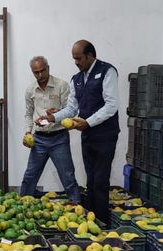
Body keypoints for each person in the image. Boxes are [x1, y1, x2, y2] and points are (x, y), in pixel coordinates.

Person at [40, 40, 119, 224]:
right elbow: (71, 109)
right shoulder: (76, 79)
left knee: (100, 181)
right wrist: (53, 118)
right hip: (88, 136)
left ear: (90, 55)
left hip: (105, 135)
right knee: (90, 180)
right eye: (74, 58)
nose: (76, 62)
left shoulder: (107, 71)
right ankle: (91, 222)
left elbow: (111, 105)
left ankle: (103, 223)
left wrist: (88, 122)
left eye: (79, 58)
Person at [19, 56, 80, 202]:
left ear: (48, 68)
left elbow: (72, 110)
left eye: (42, 71)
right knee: (30, 175)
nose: (40, 75)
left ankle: (77, 204)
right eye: (36, 72)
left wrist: (58, 113)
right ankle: (22, 205)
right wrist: (28, 132)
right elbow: (28, 114)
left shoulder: (62, 85)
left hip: (59, 137)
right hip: (39, 139)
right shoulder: (30, 90)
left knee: (67, 175)